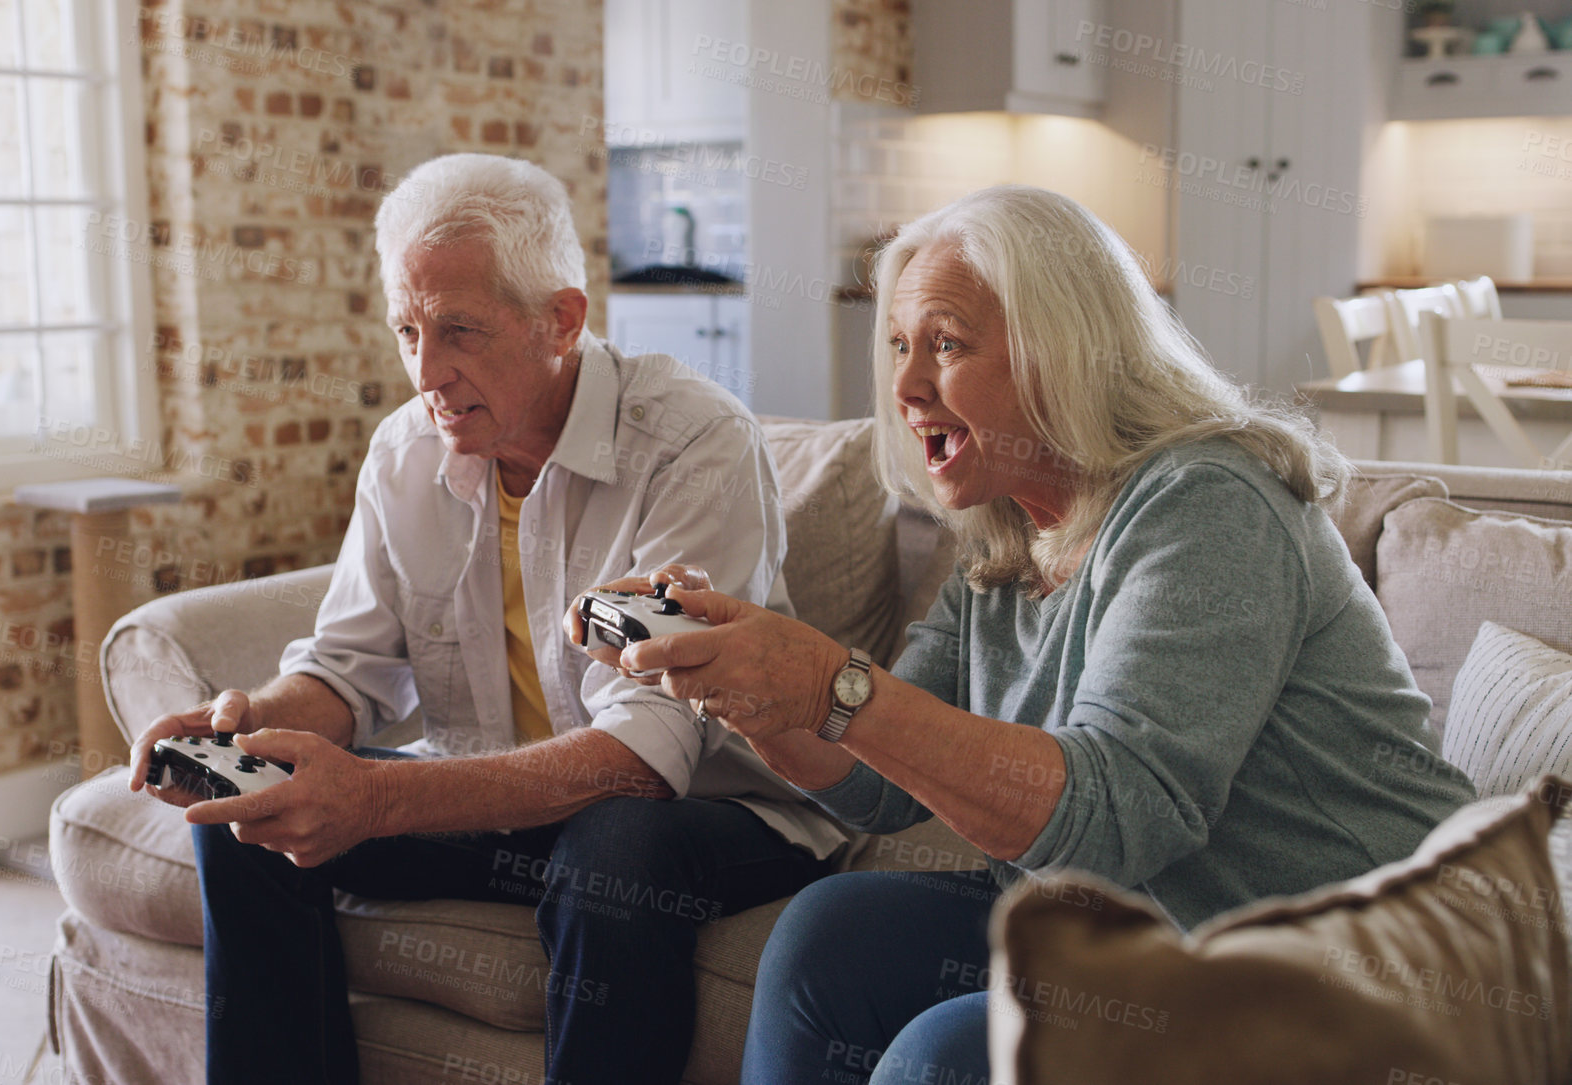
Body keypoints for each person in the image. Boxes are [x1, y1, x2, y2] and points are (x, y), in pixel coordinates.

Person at [571, 185, 1477, 1085]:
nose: (904, 385)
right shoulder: (1009, 530)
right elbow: (876, 785)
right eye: (897, 346)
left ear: (1063, 353)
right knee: (829, 934)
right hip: (1141, 937)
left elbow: (1119, 819)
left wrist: (828, 683)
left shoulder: (1211, 504)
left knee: (950, 1056)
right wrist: (747, 681)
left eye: (947, 345)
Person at [126, 153, 849, 1085]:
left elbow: (642, 755)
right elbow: (349, 669)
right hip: (500, 799)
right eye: (407, 329)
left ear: (562, 320)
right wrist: (252, 725)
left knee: (615, 848)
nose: (427, 370)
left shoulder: (693, 444)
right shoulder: (404, 454)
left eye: (459, 329)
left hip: (710, 809)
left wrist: (373, 799)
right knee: (244, 806)